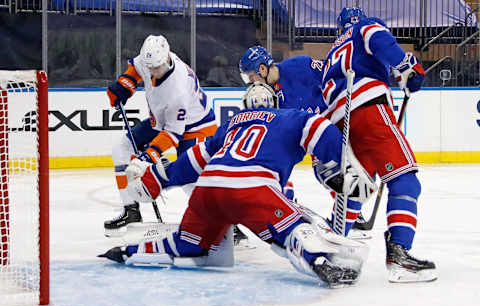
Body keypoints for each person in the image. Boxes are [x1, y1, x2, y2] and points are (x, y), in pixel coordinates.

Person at [99, 82, 373, 288]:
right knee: (295, 228)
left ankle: (131, 252)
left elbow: (193, 160)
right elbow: (320, 129)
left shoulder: (230, 125)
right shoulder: (290, 116)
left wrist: (156, 180)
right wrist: (344, 164)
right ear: (274, 102)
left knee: (189, 244)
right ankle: (318, 258)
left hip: (208, 191)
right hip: (253, 189)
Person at [319, 7, 437, 282]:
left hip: (341, 121)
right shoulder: (364, 27)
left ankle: (328, 249)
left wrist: (401, 80)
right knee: (405, 180)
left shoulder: (331, 55)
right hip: (369, 110)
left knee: (354, 194)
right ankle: (400, 255)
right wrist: (407, 66)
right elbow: (378, 38)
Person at [238, 46, 368, 239]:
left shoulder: (299, 65)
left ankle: (348, 215)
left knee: (339, 172)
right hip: (310, 136)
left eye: (251, 76)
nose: (250, 83)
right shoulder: (268, 97)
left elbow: (330, 74)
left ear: (262, 69)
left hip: (330, 125)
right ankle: (347, 211)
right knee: (324, 173)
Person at [104, 35, 217, 236]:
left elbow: (173, 134)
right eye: (150, 68)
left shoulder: (177, 90)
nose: (153, 72)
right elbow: (136, 69)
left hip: (196, 125)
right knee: (121, 149)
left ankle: (224, 224)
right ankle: (131, 211)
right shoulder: (150, 60)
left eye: (157, 68)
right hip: (162, 121)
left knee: (190, 177)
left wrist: (147, 157)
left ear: (167, 59)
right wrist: (125, 85)